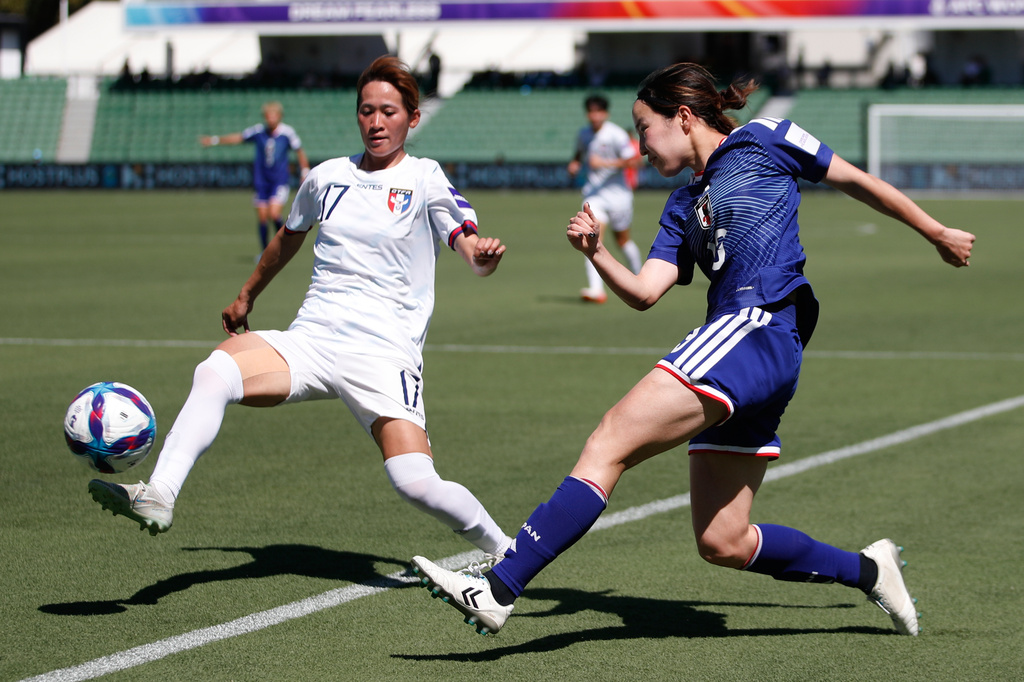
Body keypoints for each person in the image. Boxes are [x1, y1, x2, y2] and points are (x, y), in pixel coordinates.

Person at [411, 62, 976, 636]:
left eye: (644, 128)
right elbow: (645, 293)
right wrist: (596, 253)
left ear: (682, 118)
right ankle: (869, 571)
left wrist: (937, 231)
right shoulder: (682, 205)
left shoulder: (767, 138)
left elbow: (856, 179)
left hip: (757, 326)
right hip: (753, 353)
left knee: (610, 440)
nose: (640, 145)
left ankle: (500, 586)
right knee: (723, 540)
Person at [90, 56, 513, 564]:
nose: (376, 123)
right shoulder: (326, 177)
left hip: (383, 355)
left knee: (415, 482)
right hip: (311, 340)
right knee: (217, 369)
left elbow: (469, 248)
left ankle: (507, 553)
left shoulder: (425, 178)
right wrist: (247, 294)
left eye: (388, 112)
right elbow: (287, 239)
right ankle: (159, 493)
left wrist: (483, 258)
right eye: (366, 111)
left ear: (413, 118)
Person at [200, 101, 311, 253]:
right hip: (261, 181)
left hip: (279, 180)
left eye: (273, 115)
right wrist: (215, 140)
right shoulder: (259, 131)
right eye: (268, 115)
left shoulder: (287, 132)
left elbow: (299, 150)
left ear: (279, 116)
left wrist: (305, 170)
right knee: (263, 217)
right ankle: (265, 252)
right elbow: (239, 137)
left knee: (274, 213)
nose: (270, 119)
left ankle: (285, 245)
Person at [568, 94, 644, 304]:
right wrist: (574, 164)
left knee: (622, 240)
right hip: (594, 196)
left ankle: (640, 278)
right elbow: (578, 154)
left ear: (606, 113)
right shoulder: (583, 134)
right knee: (590, 237)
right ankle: (596, 290)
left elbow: (635, 161)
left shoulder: (616, 135)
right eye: (591, 111)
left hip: (619, 197)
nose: (594, 116)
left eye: (598, 111)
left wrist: (605, 163)